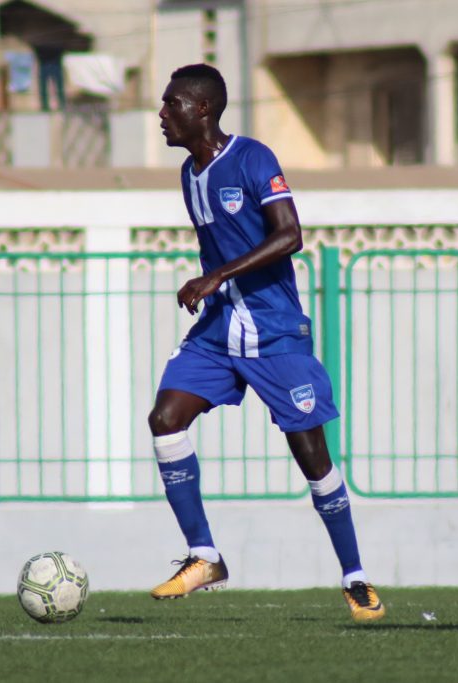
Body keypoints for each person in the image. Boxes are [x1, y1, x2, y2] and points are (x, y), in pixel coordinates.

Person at [149, 63, 384, 623]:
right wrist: (216, 288)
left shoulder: (254, 159)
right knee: (165, 418)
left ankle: (355, 577)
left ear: (202, 109)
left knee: (313, 458)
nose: (162, 115)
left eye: (171, 104)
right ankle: (205, 557)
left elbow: (289, 235)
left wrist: (216, 276)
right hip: (218, 331)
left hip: (275, 331)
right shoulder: (189, 173)